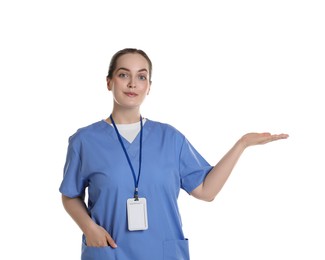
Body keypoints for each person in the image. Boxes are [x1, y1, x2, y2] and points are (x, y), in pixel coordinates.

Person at [59, 48, 289, 260]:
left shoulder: (170, 138)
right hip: (110, 252)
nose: (132, 84)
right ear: (109, 82)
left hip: (162, 252)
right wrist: (89, 228)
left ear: (149, 86)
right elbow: (70, 194)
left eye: (141, 77)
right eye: (123, 75)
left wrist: (242, 144)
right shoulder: (85, 140)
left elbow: (206, 191)